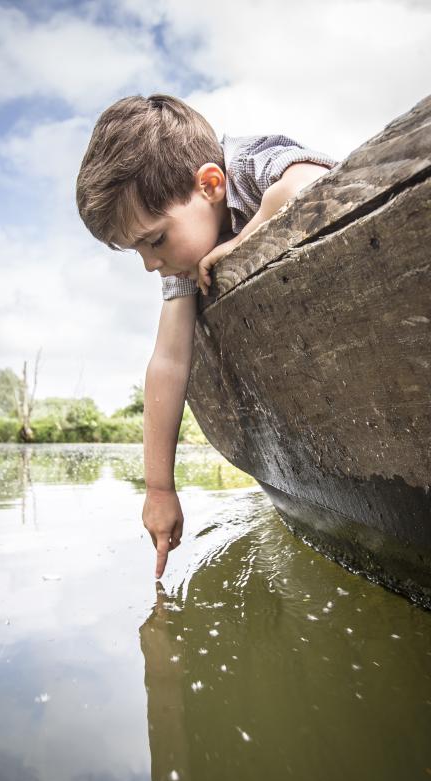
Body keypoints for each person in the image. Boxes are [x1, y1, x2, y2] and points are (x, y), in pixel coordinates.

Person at [76, 94, 337, 578]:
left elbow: (311, 184)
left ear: (210, 185)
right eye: (137, 250)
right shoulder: (181, 262)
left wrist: (243, 239)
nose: (152, 262)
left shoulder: (248, 162)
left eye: (154, 240)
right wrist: (158, 488)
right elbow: (169, 362)